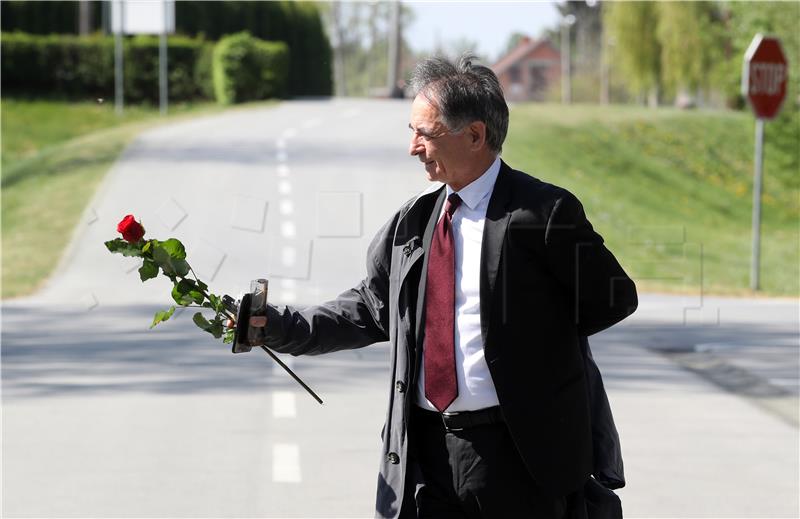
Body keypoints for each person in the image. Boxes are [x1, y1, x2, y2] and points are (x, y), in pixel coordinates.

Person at [237, 55, 637, 519]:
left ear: (474, 135)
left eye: (425, 133)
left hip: (520, 456)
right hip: (425, 455)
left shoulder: (543, 213)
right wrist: (278, 326)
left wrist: (536, 339)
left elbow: (613, 298)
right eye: (413, 131)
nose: (413, 147)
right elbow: (370, 308)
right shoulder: (414, 223)